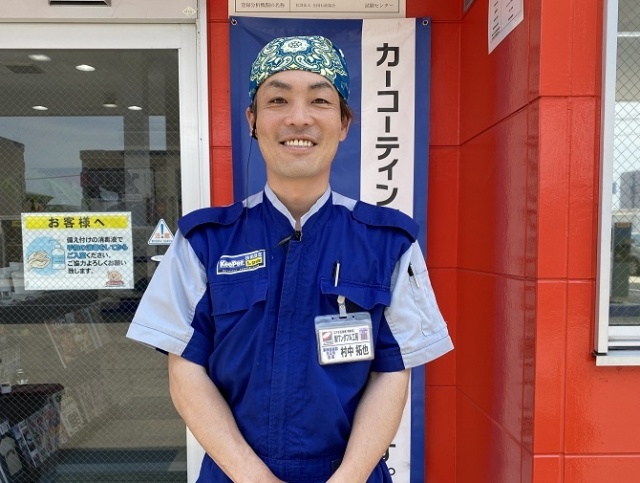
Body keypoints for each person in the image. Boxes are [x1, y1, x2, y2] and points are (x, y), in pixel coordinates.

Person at [127, 34, 453, 483]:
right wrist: (253, 477)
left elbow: (391, 372)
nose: (299, 118)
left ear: (344, 122)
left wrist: (347, 477)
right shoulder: (204, 242)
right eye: (277, 100)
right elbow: (185, 367)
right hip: (234, 473)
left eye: (320, 100)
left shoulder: (389, 243)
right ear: (252, 120)